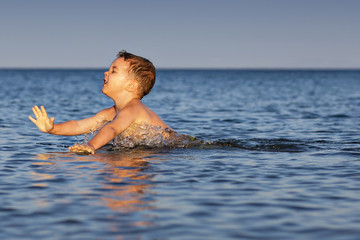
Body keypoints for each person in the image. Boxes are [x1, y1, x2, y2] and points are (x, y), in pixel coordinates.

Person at [29, 50, 174, 154]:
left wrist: (91, 145)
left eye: (113, 71)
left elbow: (112, 129)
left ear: (131, 85)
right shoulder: (109, 113)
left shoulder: (133, 109)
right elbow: (79, 125)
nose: (106, 72)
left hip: (173, 147)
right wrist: (52, 129)